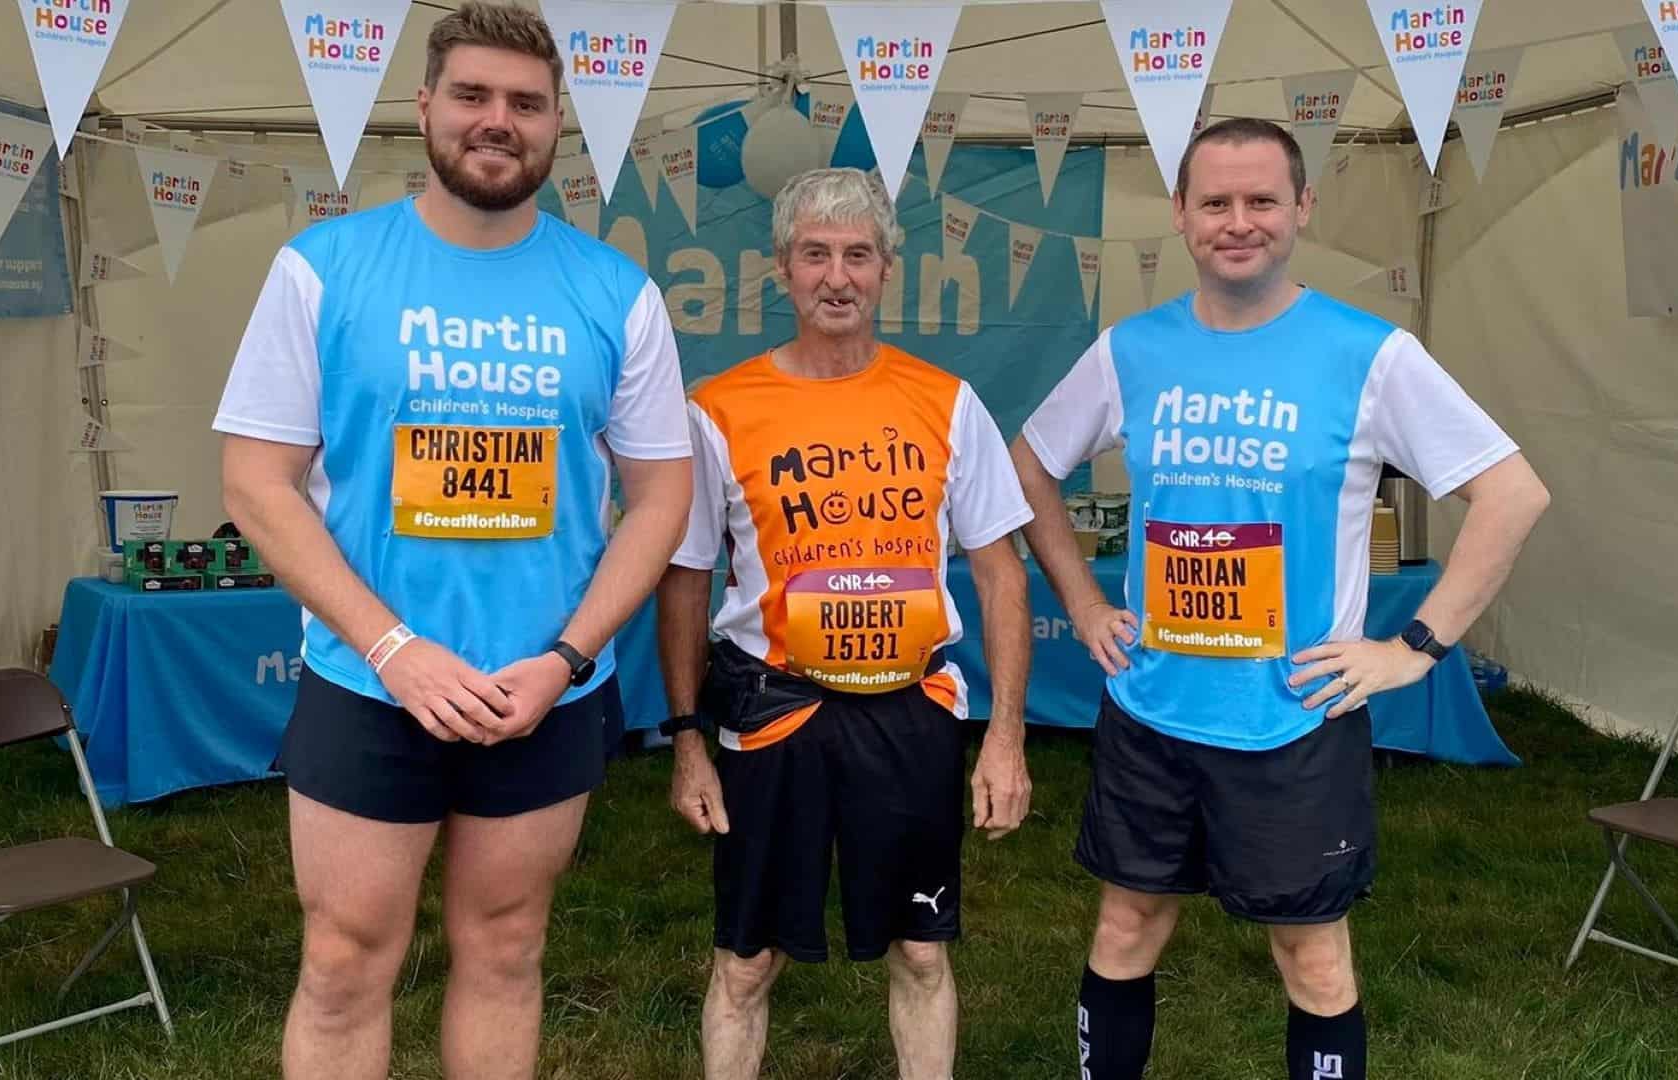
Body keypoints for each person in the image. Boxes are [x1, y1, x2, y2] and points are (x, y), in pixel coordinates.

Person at [1011, 118, 1550, 1080]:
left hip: (1294, 716)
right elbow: (1028, 467)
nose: (1238, 222)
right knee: (1126, 925)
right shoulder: (1131, 350)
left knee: (1311, 953)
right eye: (1215, 202)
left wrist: (1414, 648)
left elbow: (1512, 493)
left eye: (1262, 200)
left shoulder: (1369, 354)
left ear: (1302, 208)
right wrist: (1086, 607)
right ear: (1180, 214)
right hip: (1154, 707)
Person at [212, 4, 692, 1077]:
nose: (497, 120)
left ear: (557, 123)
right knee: (342, 959)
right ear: (423, 107)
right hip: (369, 680)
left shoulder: (616, 291)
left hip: (544, 688)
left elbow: (661, 499)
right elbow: (256, 482)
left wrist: (566, 658)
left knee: (509, 949)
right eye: (472, 95)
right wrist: (393, 648)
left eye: (525, 103)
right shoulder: (323, 267)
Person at [656, 167, 1036, 1080]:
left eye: (857, 255)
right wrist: (685, 741)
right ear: (781, 269)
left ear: (886, 270)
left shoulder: (947, 403)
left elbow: (999, 572)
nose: (837, 276)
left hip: (909, 711)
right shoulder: (719, 410)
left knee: (920, 949)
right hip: (771, 708)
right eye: (815, 255)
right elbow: (684, 582)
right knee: (747, 961)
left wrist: (1008, 739)